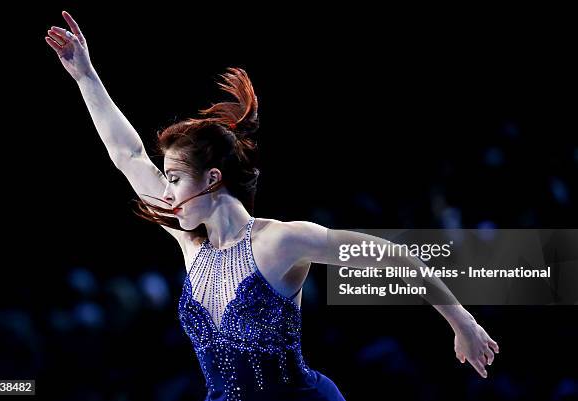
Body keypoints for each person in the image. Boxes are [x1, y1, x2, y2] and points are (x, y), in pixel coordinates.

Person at [45, 11, 500, 401]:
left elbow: (390, 256)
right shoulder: (191, 244)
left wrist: (463, 323)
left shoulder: (279, 241)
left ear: (213, 179)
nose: (165, 192)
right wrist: (86, 75)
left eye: (175, 179)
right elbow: (128, 156)